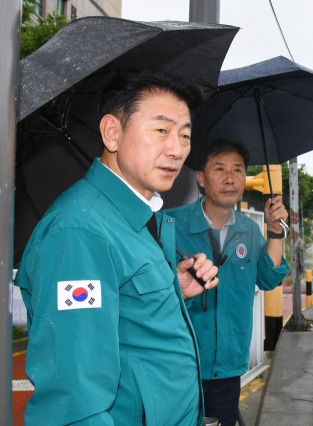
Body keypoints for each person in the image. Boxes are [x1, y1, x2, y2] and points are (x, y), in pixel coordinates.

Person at [15, 71, 219, 425]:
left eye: (185, 135)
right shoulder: (79, 232)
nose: (177, 148)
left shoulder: (135, 216)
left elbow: (128, 317)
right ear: (112, 132)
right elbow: (75, 405)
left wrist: (172, 288)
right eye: (161, 130)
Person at [165, 139, 290, 425]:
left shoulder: (249, 229)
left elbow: (268, 278)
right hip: (180, 366)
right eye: (219, 169)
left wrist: (274, 232)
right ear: (200, 178)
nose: (230, 178)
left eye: (238, 170)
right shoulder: (168, 225)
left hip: (229, 367)